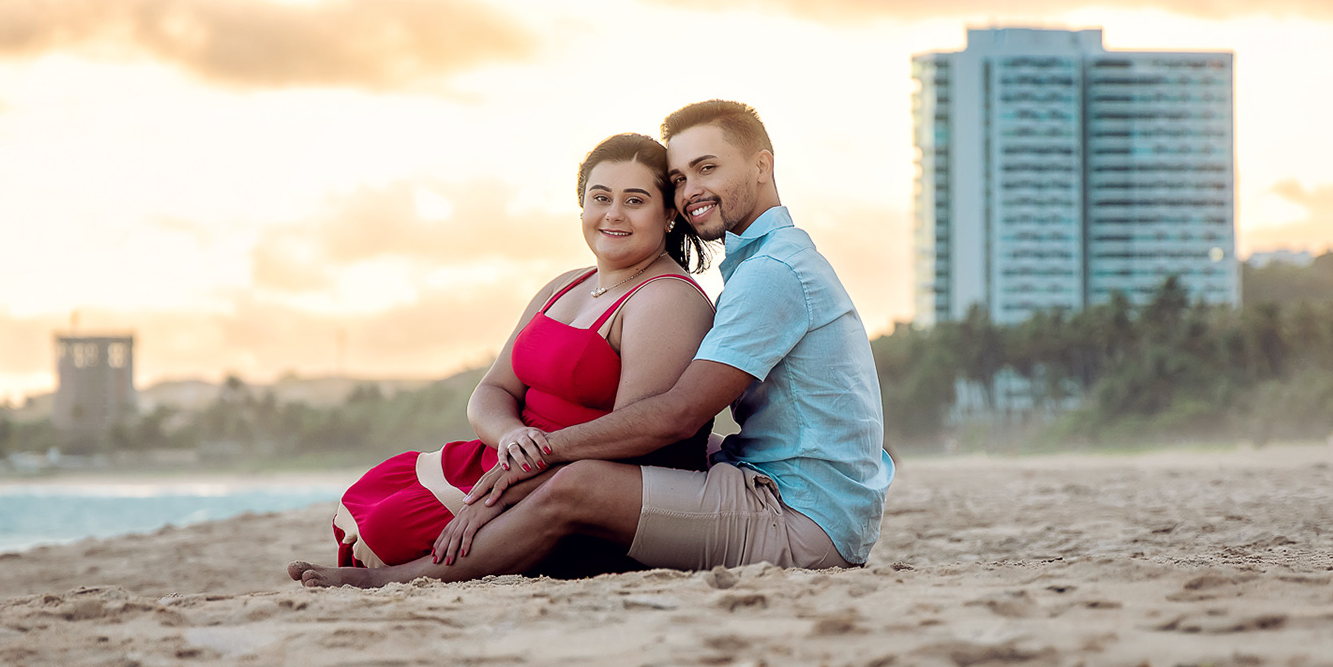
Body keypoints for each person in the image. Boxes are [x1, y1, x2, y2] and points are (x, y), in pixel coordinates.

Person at [290, 99, 892, 589]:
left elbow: (677, 415)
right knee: (666, 459)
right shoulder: (761, 262)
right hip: (770, 482)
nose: (691, 190)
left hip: (804, 518)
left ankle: (402, 580)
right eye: (681, 178)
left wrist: (538, 457)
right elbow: (508, 390)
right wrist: (521, 449)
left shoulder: (770, 273)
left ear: (762, 165)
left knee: (582, 485)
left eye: (708, 168)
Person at [315, 132, 714, 573]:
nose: (613, 214)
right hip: (503, 458)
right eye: (601, 198)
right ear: (582, 207)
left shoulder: (667, 299)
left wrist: (506, 492)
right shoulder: (565, 284)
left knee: (391, 530)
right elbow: (493, 389)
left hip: (561, 478)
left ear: (669, 214)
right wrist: (509, 436)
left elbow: (632, 441)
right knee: (373, 494)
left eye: (634, 201)